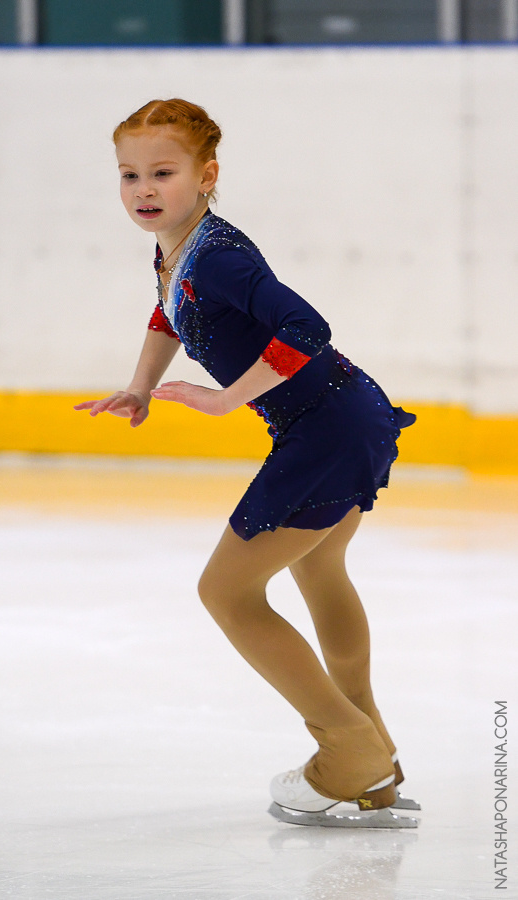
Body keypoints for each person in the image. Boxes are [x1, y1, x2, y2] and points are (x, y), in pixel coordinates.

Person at [74, 98, 417, 825]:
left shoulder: (218, 256)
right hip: (343, 416)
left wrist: (227, 398)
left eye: (162, 172)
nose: (143, 189)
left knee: (226, 592)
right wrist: (140, 386)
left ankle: (348, 750)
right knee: (319, 568)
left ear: (206, 176)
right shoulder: (179, 247)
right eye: (129, 175)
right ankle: (375, 758)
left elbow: (306, 328)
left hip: (326, 427)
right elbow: (169, 311)